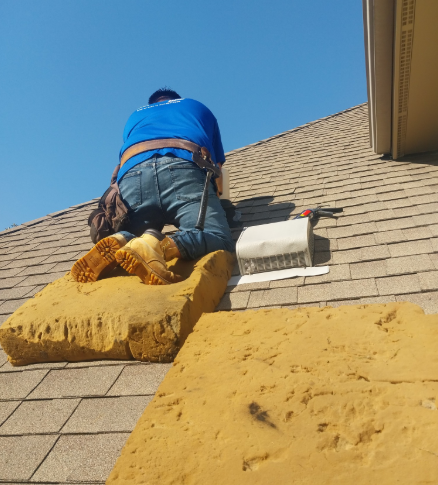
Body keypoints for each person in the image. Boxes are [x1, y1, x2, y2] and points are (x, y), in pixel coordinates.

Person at [71, 88, 234, 285]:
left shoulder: (136, 115)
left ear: (153, 104)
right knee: (219, 237)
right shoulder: (195, 106)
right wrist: (221, 206)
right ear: (177, 100)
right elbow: (217, 169)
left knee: (135, 243)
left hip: (133, 174)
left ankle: (123, 238)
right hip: (183, 163)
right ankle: (158, 247)